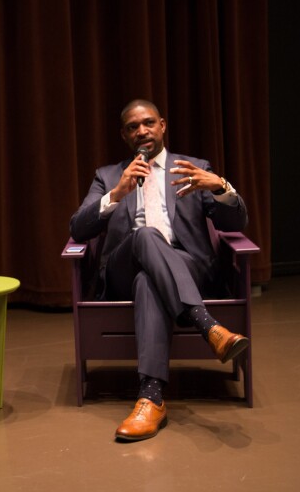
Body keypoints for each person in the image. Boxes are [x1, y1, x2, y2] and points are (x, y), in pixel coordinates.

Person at [69, 99, 250, 441]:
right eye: (133, 127)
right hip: (122, 270)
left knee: (148, 280)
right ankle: (208, 326)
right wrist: (116, 194)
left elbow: (237, 222)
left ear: (163, 126)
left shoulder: (193, 168)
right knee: (146, 236)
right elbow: (78, 228)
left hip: (187, 268)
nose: (142, 131)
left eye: (149, 123)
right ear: (124, 135)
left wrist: (220, 187)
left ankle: (151, 399)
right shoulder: (108, 175)